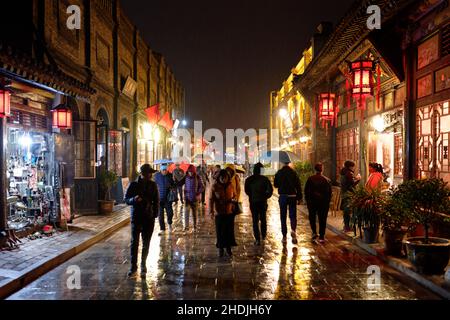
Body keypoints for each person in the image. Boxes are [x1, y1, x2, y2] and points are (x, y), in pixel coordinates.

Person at [124, 164, 159, 277]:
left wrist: (155, 214)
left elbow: (156, 200)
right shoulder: (134, 185)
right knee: (135, 242)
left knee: (146, 242)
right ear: (144, 174)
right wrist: (134, 199)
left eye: (151, 173)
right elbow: (126, 199)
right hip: (137, 217)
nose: (151, 175)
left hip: (148, 217)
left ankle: (143, 264)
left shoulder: (153, 185)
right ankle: (133, 266)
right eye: (149, 173)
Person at [209, 169, 237, 257]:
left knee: (229, 231)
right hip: (219, 212)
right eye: (222, 178)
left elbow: (235, 195)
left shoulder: (230, 185)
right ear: (219, 177)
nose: (224, 179)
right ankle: (221, 248)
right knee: (220, 231)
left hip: (229, 212)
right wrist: (211, 211)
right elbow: (211, 199)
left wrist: (233, 200)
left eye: (225, 178)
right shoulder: (215, 186)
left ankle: (228, 248)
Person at [245, 162, 273, 245]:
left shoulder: (249, 179)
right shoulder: (265, 179)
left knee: (255, 220)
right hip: (262, 202)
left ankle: (257, 238)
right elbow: (270, 191)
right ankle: (263, 235)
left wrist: (252, 195)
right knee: (263, 219)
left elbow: (247, 191)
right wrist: (265, 196)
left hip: (253, 202)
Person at [274, 162, 302, 244]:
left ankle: (284, 236)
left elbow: (275, 185)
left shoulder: (279, 173)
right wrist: (299, 197)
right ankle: (293, 230)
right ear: (289, 163)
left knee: (283, 216)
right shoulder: (293, 172)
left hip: (283, 196)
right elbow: (298, 185)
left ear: (282, 163)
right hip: (292, 196)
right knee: (293, 215)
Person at [304, 163, 332, 243]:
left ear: (315, 169)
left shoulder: (310, 179)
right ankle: (322, 235)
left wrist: (307, 200)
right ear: (322, 169)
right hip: (323, 203)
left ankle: (314, 232)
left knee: (312, 217)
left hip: (312, 202)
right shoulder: (327, 180)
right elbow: (329, 193)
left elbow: (306, 191)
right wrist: (327, 202)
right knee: (322, 219)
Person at [340, 160, 361, 232]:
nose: (354, 168)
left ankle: (346, 226)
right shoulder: (349, 173)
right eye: (353, 166)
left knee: (346, 211)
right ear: (350, 166)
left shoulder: (343, 172)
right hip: (349, 194)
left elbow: (347, 182)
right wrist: (358, 179)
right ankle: (347, 227)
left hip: (344, 193)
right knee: (348, 211)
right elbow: (352, 184)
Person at [154, 164, 175, 233]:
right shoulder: (157, 175)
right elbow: (154, 184)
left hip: (168, 198)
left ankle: (169, 224)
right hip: (159, 198)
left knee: (170, 213)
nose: (164, 171)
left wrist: (172, 186)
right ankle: (162, 229)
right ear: (161, 170)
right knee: (160, 214)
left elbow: (174, 185)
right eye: (163, 170)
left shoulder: (170, 175)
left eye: (165, 170)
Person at [184, 165, 205, 232]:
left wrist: (197, 193)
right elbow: (180, 183)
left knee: (194, 213)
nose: (190, 173)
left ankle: (195, 226)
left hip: (194, 198)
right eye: (189, 171)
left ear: (194, 171)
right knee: (186, 212)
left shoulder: (198, 177)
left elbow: (202, 187)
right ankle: (186, 227)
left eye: (192, 172)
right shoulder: (185, 177)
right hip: (187, 198)